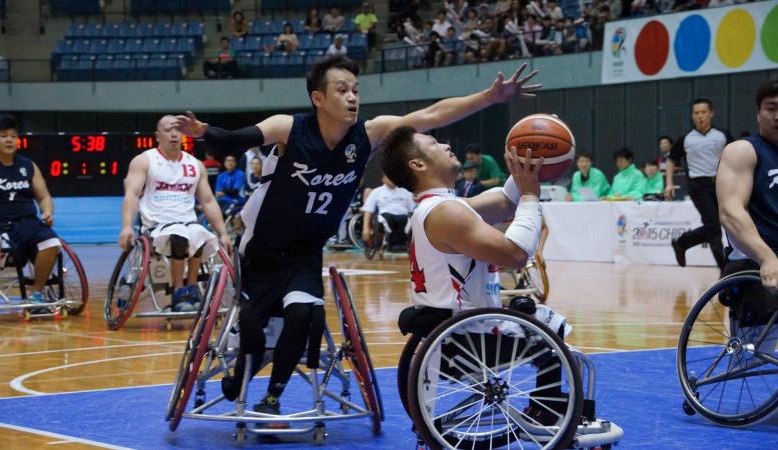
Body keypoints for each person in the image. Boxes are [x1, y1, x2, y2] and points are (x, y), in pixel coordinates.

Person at [173, 56, 541, 422]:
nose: (352, 97)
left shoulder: (369, 134)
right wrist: (204, 132)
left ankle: (273, 396)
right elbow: (238, 140)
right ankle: (239, 379)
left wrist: (490, 98)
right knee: (253, 334)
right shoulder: (289, 128)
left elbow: (432, 115)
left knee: (302, 313)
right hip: (259, 252)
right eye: (342, 89)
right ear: (318, 98)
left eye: (355, 90)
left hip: (304, 253)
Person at [380, 128, 571, 426]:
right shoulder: (446, 213)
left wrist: (531, 153)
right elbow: (515, 253)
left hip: (453, 331)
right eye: (433, 143)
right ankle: (547, 408)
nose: (445, 144)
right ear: (417, 165)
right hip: (469, 339)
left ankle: (545, 407)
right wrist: (532, 196)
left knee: (540, 319)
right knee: (552, 326)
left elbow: (506, 201)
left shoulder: (443, 207)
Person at [118, 116, 230, 312]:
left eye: (178, 130)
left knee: (201, 234)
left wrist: (223, 233)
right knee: (180, 235)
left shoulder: (195, 164)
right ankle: (178, 290)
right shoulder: (144, 160)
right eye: (168, 130)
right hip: (155, 226)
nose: (174, 134)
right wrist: (127, 225)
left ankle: (192, 288)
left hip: (187, 223)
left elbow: (208, 201)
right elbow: (132, 193)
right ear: (157, 135)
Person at [0, 114, 61, 307]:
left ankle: (36, 294)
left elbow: (43, 196)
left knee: (51, 242)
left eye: (13, 135)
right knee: (8, 251)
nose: (9, 139)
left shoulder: (28, 165)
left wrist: (47, 211)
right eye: (3, 135)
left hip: (27, 223)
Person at [717, 74, 778, 289]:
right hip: (757, 257)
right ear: (758, 114)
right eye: (771, 108)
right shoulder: (743, 151)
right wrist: (767, 258)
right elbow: (730, 211)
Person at [667, 98, 733, 269]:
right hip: (698, 186)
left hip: (720, 185)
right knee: (714, 227)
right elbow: (671, 161)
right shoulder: (686, 139)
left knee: (721, 224)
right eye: (696, 113)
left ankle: (682, 242)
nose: (700, 116)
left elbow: (736, 155)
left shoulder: (722, 135)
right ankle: (725, 270)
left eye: (703, 112)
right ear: (692, 116)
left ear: (711, 113)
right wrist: (668, 184)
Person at [361, 175, 416, 251]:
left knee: (404, 218)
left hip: (403, 216)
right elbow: (368, 211)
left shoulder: (405, 192)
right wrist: (366, 228)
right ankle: (390, 243)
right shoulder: (376, 191)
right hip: (385, 216)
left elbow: (413, 209)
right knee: (388, 218)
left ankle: (401, 244)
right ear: (383, 179)